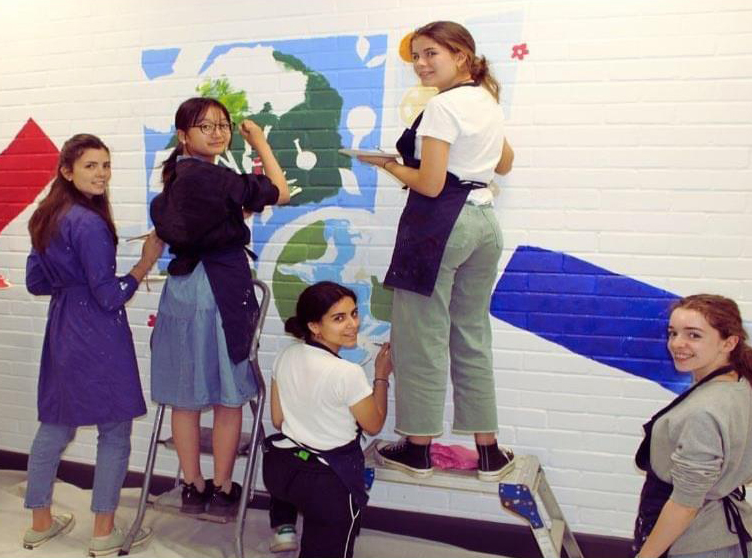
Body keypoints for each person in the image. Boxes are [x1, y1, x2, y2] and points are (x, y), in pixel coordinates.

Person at [358, 20, 515, 480]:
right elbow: (504, 163)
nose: (421, 65)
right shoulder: (486, 100)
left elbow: (429, 184)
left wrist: (387, 164)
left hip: (440, 226)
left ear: (460, 56)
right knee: (471, 334)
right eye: (416, 57)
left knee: (420, 338)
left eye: (431, 54)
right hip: (484, 223)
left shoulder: (443, 107)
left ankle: (418, 448)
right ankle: (489, 451)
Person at [22, 133, 164, 555]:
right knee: (115, 428)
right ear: (67, 171)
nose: (101, 174)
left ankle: (39, 523)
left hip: (63, 328)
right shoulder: (89, 222)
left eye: (105, 165)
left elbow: (36, 282)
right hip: (98, 333)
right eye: (91, 166)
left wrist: (71, 282)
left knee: (55, 425)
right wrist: (145, 263)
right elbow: (109, 297)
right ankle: (103, 533)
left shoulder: (46, 216)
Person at [149, 97, 289, 518]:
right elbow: (280, 191)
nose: (217, 133)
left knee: (185, 395)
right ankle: (223, 487)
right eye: (205, 126)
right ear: (183, 135)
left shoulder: (178, 179)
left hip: (181, 291)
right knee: (229, 395)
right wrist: (260, 142)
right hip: (220, 289)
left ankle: (193, 486)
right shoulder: (217, 178)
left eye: (222, 125)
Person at [632, 294, 752, 558]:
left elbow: (685, 505)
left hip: (696, 545)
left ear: (729, 342)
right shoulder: (747, 385)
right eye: (673, 333)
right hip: (734, 536)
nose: (677, 343)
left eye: (694, 335)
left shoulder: (704, 410)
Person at [263, 281, 392, 558]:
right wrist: (381, 375)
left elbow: (278, 420)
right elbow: (374, 424)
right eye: (339, 318)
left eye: (354, 314)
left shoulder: (285, 355)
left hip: (282, 472)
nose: (352, 324)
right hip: (327, 484)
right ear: (314, 326)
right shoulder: (348, 373)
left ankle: (284, 527)